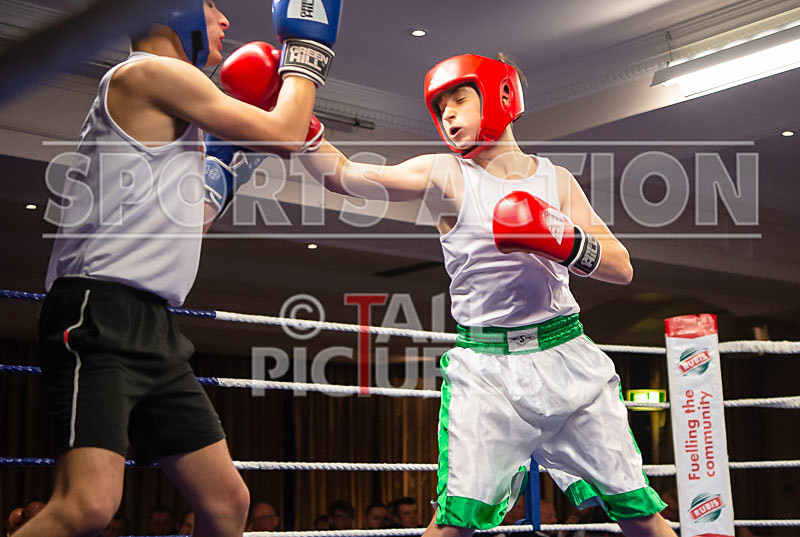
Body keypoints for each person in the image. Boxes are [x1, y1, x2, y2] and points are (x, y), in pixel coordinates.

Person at [297, 53, 675, 537]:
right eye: (440, 107)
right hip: (488, 368)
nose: (448, 114)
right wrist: (299, 127)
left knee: (639, 512)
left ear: (500, 97)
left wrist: (563, 240)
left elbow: (621, 267)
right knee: (455, 523)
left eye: (459, 99)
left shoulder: (555, 180)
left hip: (566, 356)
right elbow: (345, 177)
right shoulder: (445, 175)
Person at [24, 1, 341, 536]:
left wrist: (229, 162)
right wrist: (308, 49)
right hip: (97, 314)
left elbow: (190, 221)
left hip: (152, 325)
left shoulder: (173, 102)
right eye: (214, 5)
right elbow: (287, 133)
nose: (226, 21)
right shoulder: (149, 71)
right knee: (86, 505)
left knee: (225, 504)